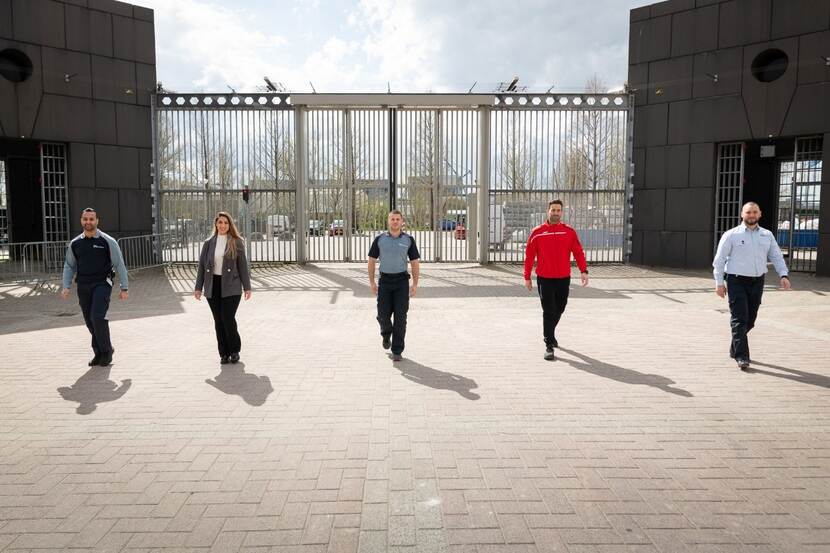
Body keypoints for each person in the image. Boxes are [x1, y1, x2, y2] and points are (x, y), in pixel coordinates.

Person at [713, 201, 790, 370]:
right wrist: (719, 283)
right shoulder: (731, 235)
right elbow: (719, 261)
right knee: (739, 319)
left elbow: (776, 256)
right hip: (736, 281)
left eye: (755, 212)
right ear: (742, 214)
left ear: (760, 214)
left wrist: (783, 275)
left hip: (758, 281)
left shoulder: (767, 235)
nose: (751, 215)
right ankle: (742, 356)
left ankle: (735, 347)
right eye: (748, 212)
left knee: (751, 320)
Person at [61, 207, 129, 367]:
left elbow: (119, 264)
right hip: (83, 285)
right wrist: (66, 286)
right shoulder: (75, 243)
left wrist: (124, 287)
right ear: (81, 221)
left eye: (91, 219)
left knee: (97, 317)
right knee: (89, 321)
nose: (88, 222)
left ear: (97, 221)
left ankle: (106, 351)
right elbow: (69, 266)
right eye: (85, 219)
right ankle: (98, 353)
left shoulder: (107, 241)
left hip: (102, 284)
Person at [523, 199, 588, 361]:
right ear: (548, 211)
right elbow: (529, 256)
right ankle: (549, 344)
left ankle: (550, 332)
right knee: (549, 310)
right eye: (553, 210)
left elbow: (578, 252)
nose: (556, 213)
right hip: (544, 278)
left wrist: (583, 270)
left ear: (562, 212)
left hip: (563, 278)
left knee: (560, 308)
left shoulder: (569, 231)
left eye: (558, 210)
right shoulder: (537, 232)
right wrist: (527, 277)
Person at [195, 212, 252, 364]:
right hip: (213, 285)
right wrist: (198, 288)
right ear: (216, 224)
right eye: (220, 222)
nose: (223, 225)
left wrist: (247, 287)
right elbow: (201, 266)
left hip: (231, 286)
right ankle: (223, 353)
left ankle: (234, 350)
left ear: (229, 225)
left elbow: (242, 266)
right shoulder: (208, 242)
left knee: (227, 318)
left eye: (226, 223)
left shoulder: (236, 242)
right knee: (218, 320)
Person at [368, 210, 420, 362]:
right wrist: (372, 282)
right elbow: (371, 261)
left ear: (402, 221)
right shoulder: (379, 239)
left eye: (398, 219)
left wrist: (415, 283)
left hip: (401, 283)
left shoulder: (409, 240)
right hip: (384, 282)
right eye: (392, 219)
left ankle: (397, 350)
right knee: (382, 315)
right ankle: (386, 334)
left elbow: (415, 263)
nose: (395, 222)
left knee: (400, 317)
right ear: (388, 221)